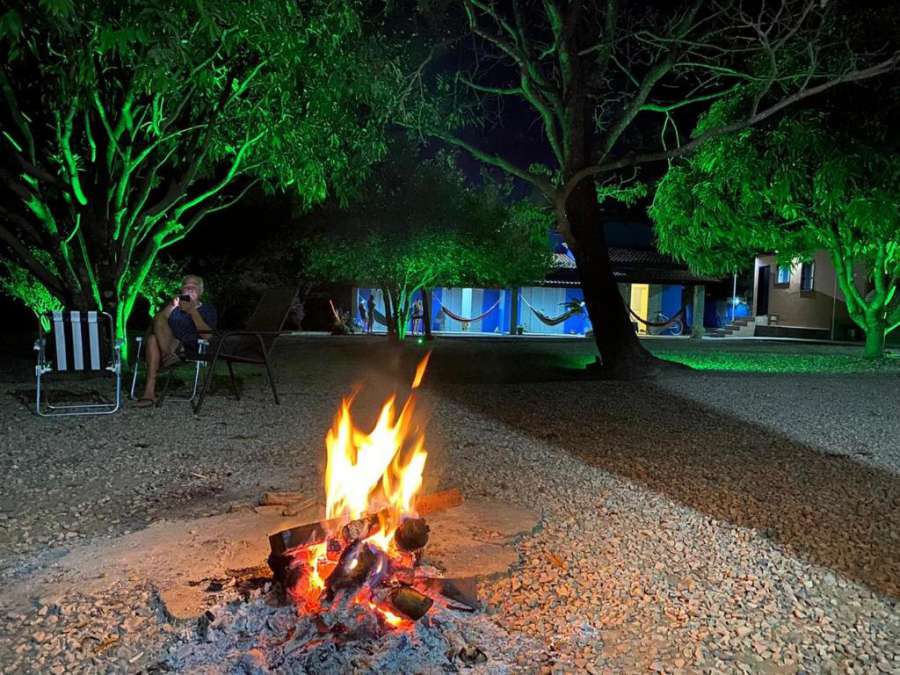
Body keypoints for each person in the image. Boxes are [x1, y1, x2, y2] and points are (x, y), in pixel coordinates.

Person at [136, 274, 217, 407]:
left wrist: (192, 311)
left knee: (152, 340)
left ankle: (149, 391)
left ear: (201, 291)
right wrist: (170, 307)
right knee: (154, 334)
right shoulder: (173, 307)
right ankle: (167, 355)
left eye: (194, 286)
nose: (190, 289)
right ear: (181, 290)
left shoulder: (208, 309)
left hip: (191, 348)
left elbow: (208, 337)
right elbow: (158, 322)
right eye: (186, 286)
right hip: (170, 346)